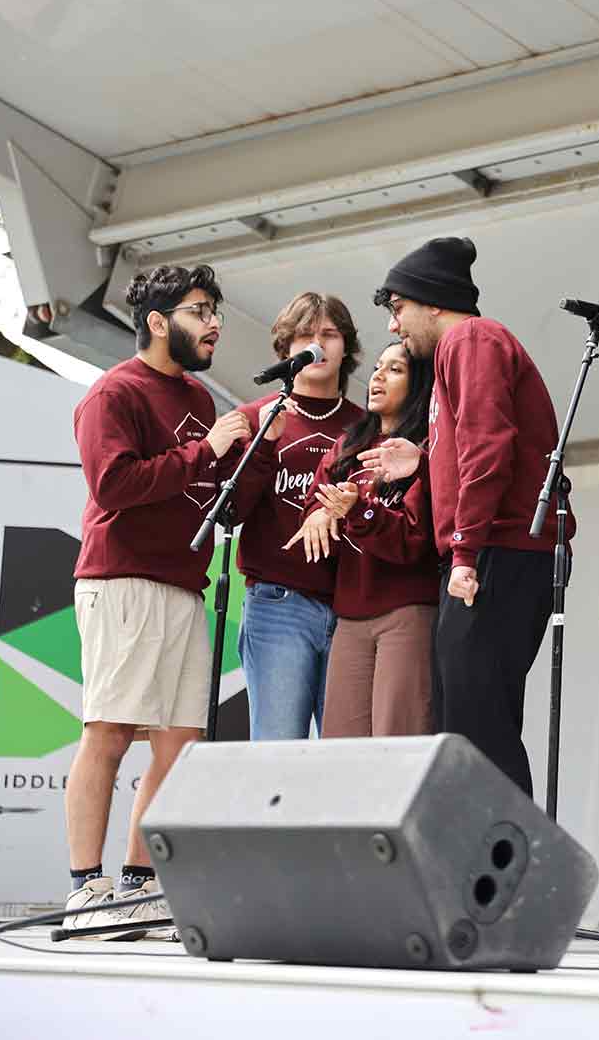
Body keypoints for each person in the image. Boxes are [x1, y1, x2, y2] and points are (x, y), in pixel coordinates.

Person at [65, 264, 256, 936]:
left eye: (215, 312)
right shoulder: (114, 394)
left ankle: (139, 888)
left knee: (180, 744)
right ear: (157, 321)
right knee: (111, 732)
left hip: (185, 586)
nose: (214, 325)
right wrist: (207, 451)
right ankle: (85, 889)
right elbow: (115, 486)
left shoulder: (202, 400)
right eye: (201, 311)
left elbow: (202, 482)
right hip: (123, 580)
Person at [362, 236, 569, 796]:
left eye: (397, 308)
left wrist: (465, 551)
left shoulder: (472, 339)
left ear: (433, 302)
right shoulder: (465, 349)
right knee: (466, 725)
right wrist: (426, 461)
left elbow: (488, 447)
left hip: (499, 551)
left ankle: (509, 874)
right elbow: (480, 446)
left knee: (481, 730)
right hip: (493, 549)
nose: (392, 326)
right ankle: (485, 871)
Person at [230, 293, 364, 739]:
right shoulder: (255, 418)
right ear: (286, 348)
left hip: (350, 608)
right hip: (277, 604)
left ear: (346, 347)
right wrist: (266, 442)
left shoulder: (365, 426)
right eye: (306, 336)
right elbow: (231, 512)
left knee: (342, 757)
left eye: (329, 335)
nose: (318, 345)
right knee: (277, 753)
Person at [291, 340, 438, 738]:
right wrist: (319, 513)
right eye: (376, 367)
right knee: (342, 747)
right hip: (350, 616)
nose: (377, 376)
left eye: (395, 370)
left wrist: (356, 511)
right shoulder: (348, 445)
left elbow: (412, 539)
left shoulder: (424, 450)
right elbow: (314, 502)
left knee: (397, 740)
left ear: (419, 383)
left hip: (406, 612)